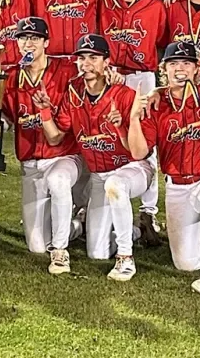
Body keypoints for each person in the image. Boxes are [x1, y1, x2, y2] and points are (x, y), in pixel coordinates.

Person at [56, 34, 154, 281]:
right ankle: (134, 232)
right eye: (82, 58)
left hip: (133, 167)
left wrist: (123, 125)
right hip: (100, 174)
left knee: (116, 185)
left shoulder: (126, 95)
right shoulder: (74, 92)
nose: (86, 63)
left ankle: (125, 257)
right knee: (97, 253)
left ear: (107, 62)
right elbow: (58, 134)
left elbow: (137, 152)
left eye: (93, 57)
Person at [144, 40, 200, 296]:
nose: (180, 68)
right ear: (164, 68)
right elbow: (141, 150)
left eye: (187, 63)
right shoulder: (157, 103)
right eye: (174, 63)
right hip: (178, 185)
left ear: (197, 69)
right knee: (187, 264)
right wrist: (155, 93)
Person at [1, 17, 84, 274]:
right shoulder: (10, 76)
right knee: (37, 245)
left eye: (35, 38)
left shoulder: (67, 70)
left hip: (64, 156)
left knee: (59, 181)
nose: (29, 43)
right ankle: (79, 224)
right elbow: (5, 115)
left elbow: (94, 72)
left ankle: (60, 251)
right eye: (23, 38)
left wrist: (110, 73)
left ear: (46, 42)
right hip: (30, 163)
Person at [98, 0, 168, 244]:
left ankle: (148, 214)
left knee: (146, 143)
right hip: (113, 75)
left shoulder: (153, 4)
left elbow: (162, 40)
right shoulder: (105, 0)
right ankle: (106, 205)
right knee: (111, 136)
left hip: (142, 76)